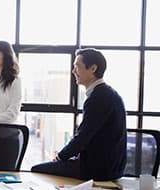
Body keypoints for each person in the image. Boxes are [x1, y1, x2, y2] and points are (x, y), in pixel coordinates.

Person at [31, 48, 127, 181]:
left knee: (36, 169)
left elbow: (83, 137)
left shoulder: (98, 98)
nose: (73, 71)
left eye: (77, 66)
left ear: (93, 68)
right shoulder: (107, 93)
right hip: (109, 167)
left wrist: (60, 157)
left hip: (98, 170)